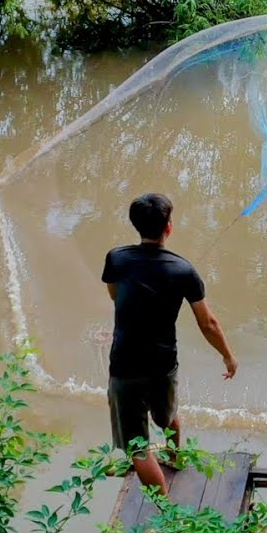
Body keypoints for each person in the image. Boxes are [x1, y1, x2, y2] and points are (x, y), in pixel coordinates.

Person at [101, 193, 238, 497]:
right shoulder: (184, 271)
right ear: (169, 228)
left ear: (135, 225)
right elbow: (209, 324)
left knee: (137, 446)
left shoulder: (116, 258)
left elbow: (114, 295)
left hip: (125, 364)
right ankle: (173, 460)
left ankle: (161, 500)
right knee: (167, 414)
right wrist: (228, 357)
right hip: (163, 363)